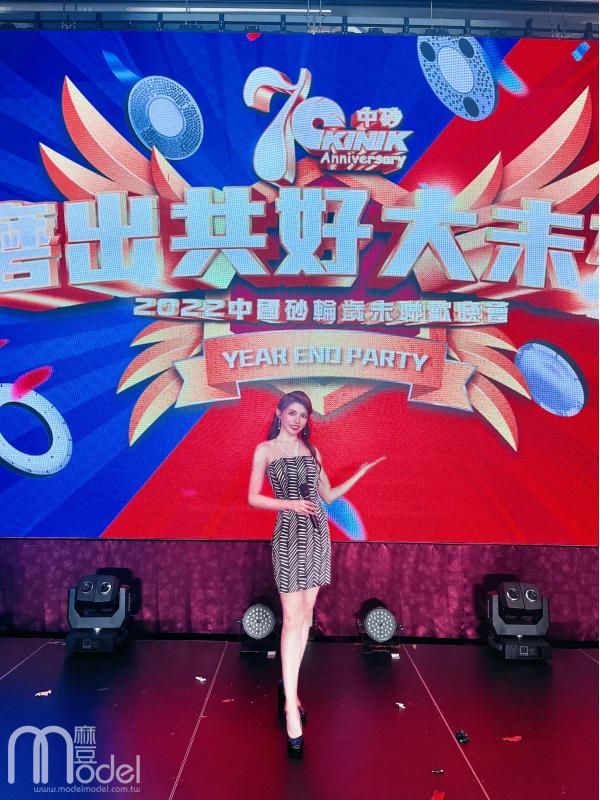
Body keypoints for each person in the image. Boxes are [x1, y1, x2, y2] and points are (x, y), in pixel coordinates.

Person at [247, 390, 386, 757]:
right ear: (279, 413)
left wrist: (359, 473)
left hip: (317, 536)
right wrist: (290, 503)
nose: (297, 420)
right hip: (288, 537)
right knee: (292, 619)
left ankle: (289, 687)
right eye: (292, 413)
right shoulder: (265, 450)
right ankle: (290, 707)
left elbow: (328, 496)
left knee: (306, 617)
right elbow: (253, 497)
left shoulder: (313, 452)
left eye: (303, 415)